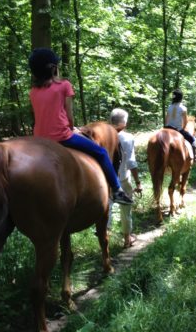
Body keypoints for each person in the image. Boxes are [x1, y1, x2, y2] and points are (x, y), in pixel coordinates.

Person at [28, 47, 132, 205]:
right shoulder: (64, 85)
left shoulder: (33, 91)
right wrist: (71, 128)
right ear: (54, 68)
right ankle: (117, 190)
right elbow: (69, 115)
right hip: (62, 136)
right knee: (102, 153)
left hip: (39, 140)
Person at [109, 108, 142, 247]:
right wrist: (138, 182)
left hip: (106, 180)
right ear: (124, 123)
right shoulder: (127, 137)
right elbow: (131, 163)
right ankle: (127, 239)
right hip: (123, 178)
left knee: (107, 208)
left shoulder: (103, 135)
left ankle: (106, 239)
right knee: (126, 207)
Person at [165, 89, 196, 164]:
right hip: (178, 130)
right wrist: (182, 129)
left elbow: (166, 120)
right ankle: (195, 157)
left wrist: (166, 128)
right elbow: (185, 122)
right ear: (181, 98)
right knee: (193, 140)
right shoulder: (183, 108)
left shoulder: (169, 107)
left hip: (168, 129)